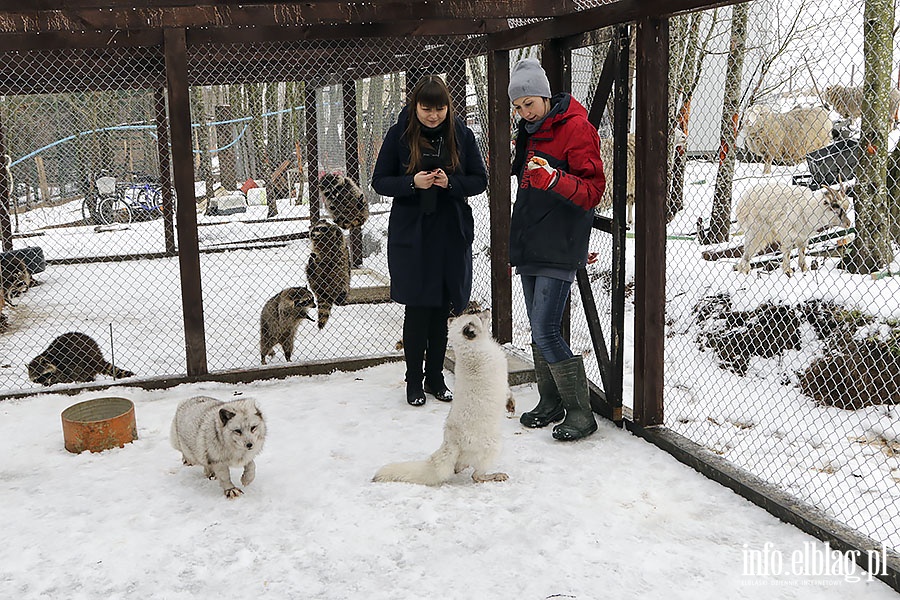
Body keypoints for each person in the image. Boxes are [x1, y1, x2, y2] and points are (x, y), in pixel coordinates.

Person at [372, 75, 488, 406]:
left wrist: (451, 182)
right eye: (426, 108)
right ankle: (414, 381)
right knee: (417, 309)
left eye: (439, 109)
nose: (433, 116)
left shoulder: (461, 134)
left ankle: (436, 378)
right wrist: (413, 183)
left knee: (441, 309)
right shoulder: (400, 134)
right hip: (412, 233)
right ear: (415, 106)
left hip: (450, 232)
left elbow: (479, 180)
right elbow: (380, 181)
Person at [508, 57, 606, 441]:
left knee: (547, 328)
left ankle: (581, 414)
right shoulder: (528, 131)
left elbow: (592, 191)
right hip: (531, 239)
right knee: (537, 328)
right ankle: (551, 403)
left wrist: (554, 180)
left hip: (560, 242)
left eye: (528, 103)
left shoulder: (577, 129)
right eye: (517, 106)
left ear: (545, 96)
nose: (523, 111)